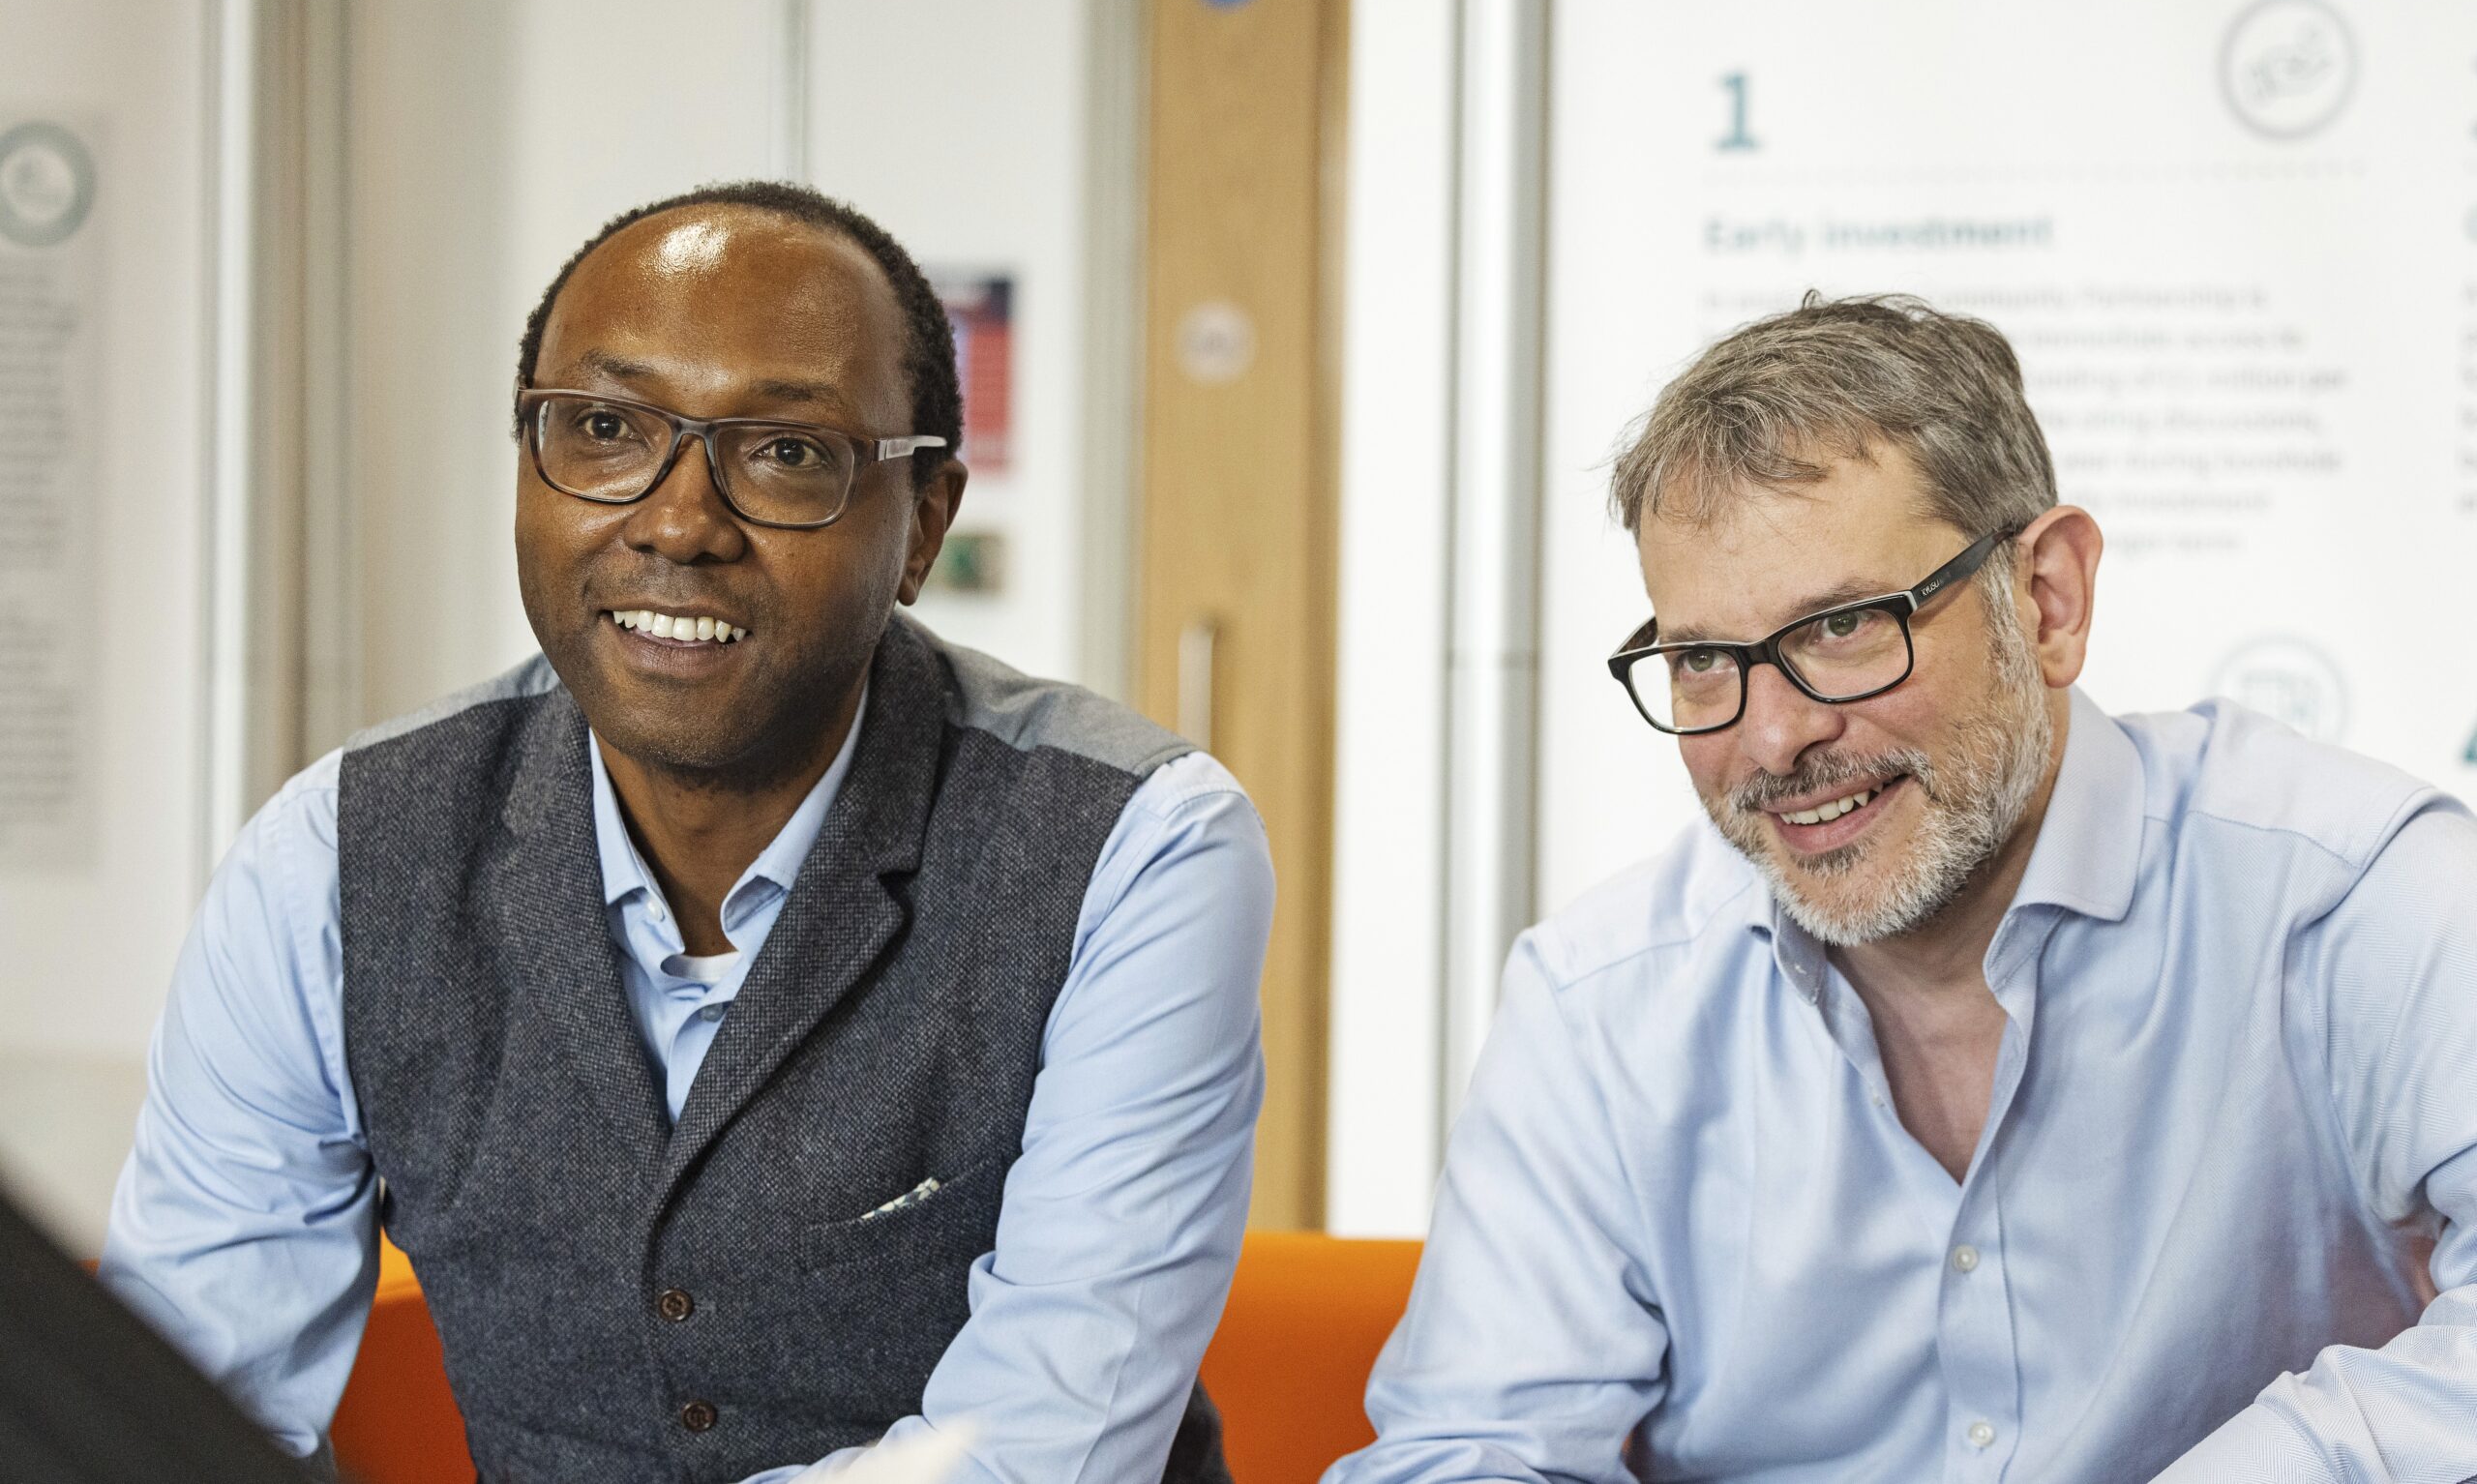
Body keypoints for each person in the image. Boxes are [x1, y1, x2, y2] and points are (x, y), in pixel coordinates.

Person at [101, 181, 1273, 1484]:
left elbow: (1044, 1454)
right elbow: (176, 1404)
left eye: (785, 451)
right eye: (602, 428)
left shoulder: (1135, 851)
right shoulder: (332, 860)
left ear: (922, 526)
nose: (676, 522)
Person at [1330, 295, 2477, 1483]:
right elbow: (1464, 1452)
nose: (1771, 738)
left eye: (1839, 628)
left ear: (2046, 601)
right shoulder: (1598, 1003)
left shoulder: (2344, 893)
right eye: (1703, 660)